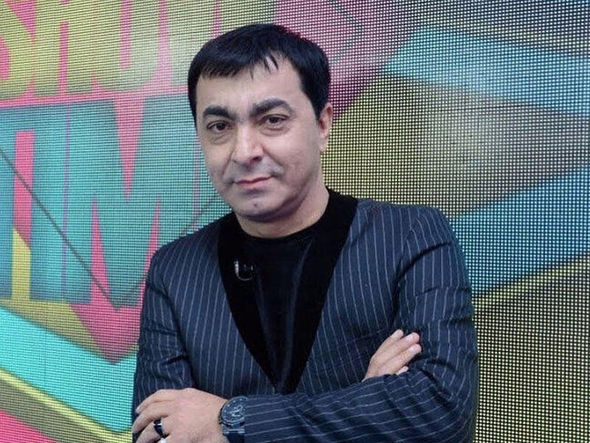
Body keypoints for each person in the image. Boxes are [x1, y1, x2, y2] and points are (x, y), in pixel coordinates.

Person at [132, 23, 478, 442]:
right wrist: (364, 403)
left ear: (322, 124)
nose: (244, 151)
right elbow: (158, 434)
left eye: (272, 120)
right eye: (220, 126)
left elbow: (439, 411)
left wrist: (229, 421)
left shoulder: (410, 237)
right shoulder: (175, 271)